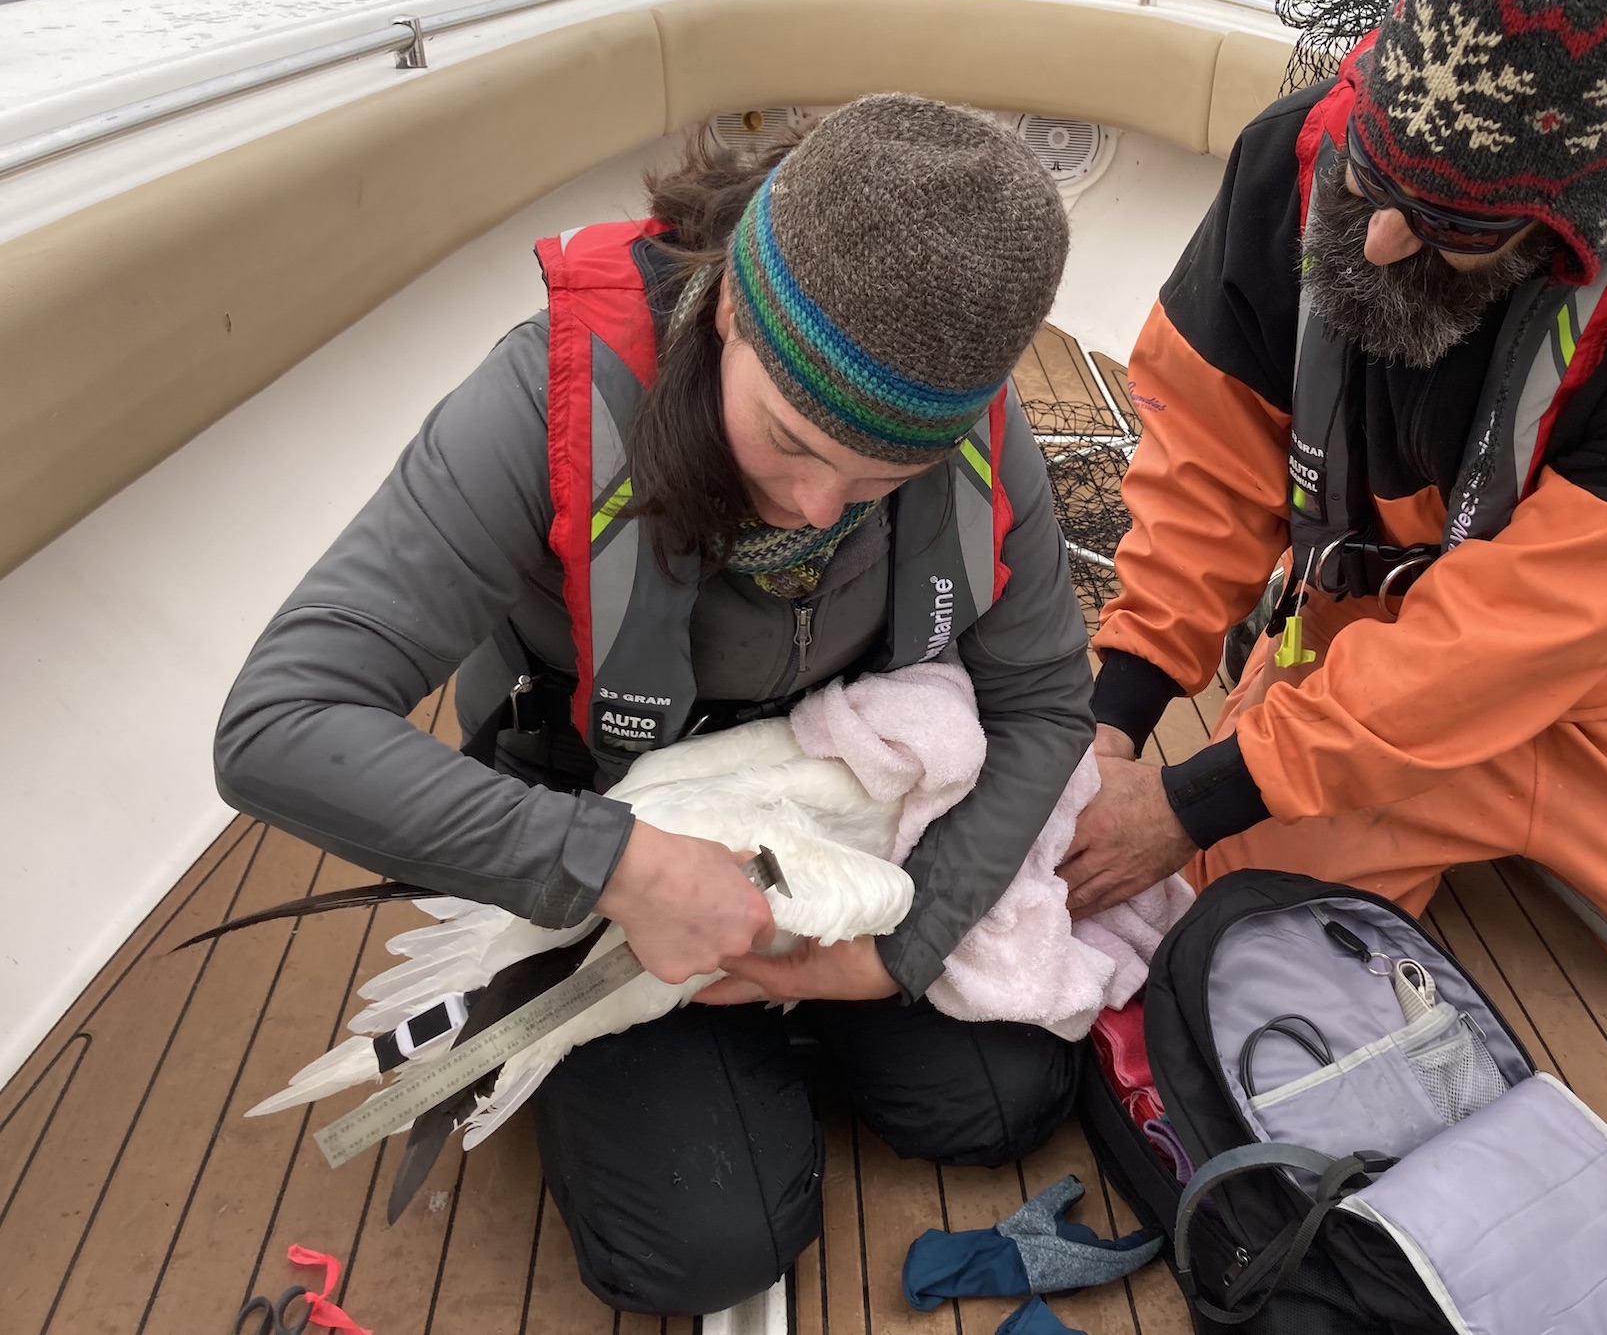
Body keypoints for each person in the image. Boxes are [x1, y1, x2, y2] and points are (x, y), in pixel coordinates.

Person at [214, 95, 1095, 1313]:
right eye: (787, 438)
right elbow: (277, 725)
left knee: (1004, 1100)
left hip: (827, 827)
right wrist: (616, 863)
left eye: (881, 478)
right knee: (700, 1248)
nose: (815, 507)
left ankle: (758, 1011)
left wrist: (893, 953)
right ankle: (688, 1030)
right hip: (597, 831)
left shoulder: (977, 429)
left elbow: (1047, 703)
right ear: (732, 307)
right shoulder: (542, 403)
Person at [1059, 0, 1607, 1042]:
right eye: (1375, 181)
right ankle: (1415, 786)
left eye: (1449, 228)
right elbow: (1207, 469)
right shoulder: (1289, 166)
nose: (1376, 239)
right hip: (1364, 639)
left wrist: (1207, 792)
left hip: (1606, 683)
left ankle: (1499, 795)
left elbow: (1524, 631)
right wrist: (1116, 715)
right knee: (1209, 916)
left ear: (1563, 235)